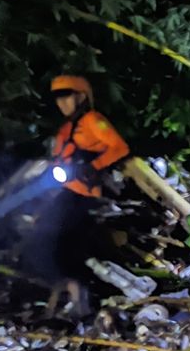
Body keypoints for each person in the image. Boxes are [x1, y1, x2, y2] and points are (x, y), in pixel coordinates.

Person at [30, 75, 130, 317]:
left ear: (81, 96)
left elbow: (119, 148)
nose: (61, 103)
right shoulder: (65, 129)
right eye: (58, 99)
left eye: (66, 97)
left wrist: (94, 166)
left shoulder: (94, 121)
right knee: (49, 239)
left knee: (70, 244)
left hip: (84, 194)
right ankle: (61, 297)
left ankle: (80, 301)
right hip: (65, 190)